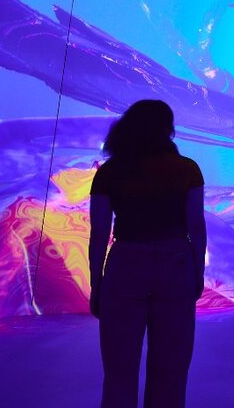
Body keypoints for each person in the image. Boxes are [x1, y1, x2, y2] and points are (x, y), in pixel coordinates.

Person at [89, 100, 206, 407]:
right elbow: (196, 225)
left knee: (118, 372)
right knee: (171, 370)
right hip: (176, 264)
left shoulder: (110, 172)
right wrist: (197, 272)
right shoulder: (187, 170)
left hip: (125, 264)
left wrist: (96, 283)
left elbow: (100, 233)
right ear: (168, 129)